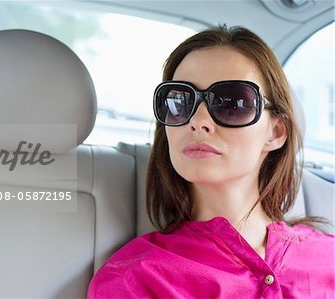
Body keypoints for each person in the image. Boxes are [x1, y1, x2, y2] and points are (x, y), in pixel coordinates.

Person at [87, 25, 335, 298]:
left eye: (232, 102)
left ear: (275, 133)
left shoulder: (328, 257)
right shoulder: (134, 279)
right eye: (180, 101)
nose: (198, 121)